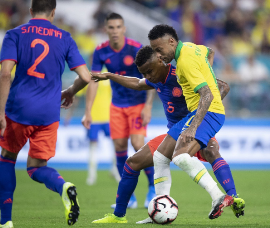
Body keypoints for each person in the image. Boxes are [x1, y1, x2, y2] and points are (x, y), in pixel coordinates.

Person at [90, 46, 245, 223]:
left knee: (211, 149)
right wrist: (109, 75)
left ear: (160, 62)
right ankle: (121, 216)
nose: (147, 76)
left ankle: (232, 197)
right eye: (144, 73)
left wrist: (201, 115)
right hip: (174, 132)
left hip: (194, 126)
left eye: (149, 71)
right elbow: (137, 83)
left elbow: (222, 86)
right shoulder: (156, 79)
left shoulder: (180, 74)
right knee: (133, 163)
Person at [0, 0, 91, 227]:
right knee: (36, 167)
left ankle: (6, 221)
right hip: (49, 112)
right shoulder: (65, 37)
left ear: (31, 11)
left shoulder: (15, 34)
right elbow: (87, 77)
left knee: (7, 158)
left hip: (18, 108)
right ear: (53, 12)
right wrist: (70, 91)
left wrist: (0, 111)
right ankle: (63, 187)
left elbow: (4, 74)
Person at [146, 24, 237, 220]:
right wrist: (208, 74)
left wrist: (194, 126)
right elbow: (209, 51)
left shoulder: (185, 60)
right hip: (197, 113)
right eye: (154, 51)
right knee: (160, 157)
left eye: (159, 49)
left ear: (171, 41)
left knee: (180, 157)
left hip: (207, 113)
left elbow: (206, 94)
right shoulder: (190, 47)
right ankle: (160, 207)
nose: (158, 55)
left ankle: (219, 197)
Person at [81, 12, 156, 208]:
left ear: (124, 28)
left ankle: (152, 188)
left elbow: (151, 77)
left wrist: (148, 106)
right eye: (111, 27)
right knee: (119, 148)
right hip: (117, 106)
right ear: (106, 29)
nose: (114, 31)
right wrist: (87, 111)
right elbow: (93, 81)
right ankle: (128, 197)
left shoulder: (135, 49)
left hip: (138, 104)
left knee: (137, 142)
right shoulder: (101, 51)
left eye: (118, 27)